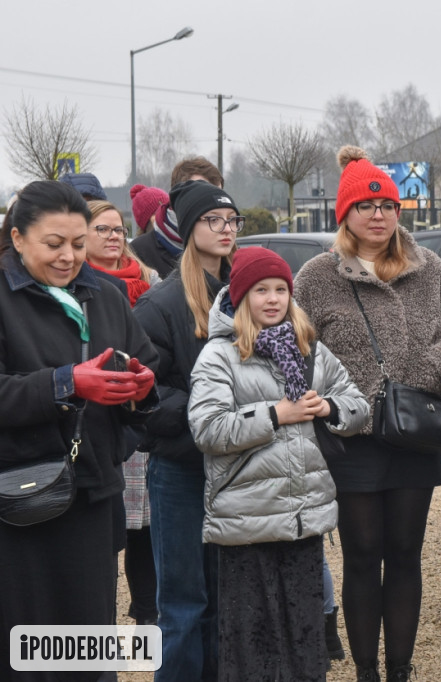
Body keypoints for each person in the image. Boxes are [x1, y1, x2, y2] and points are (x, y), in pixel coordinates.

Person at [293, 145, 441, 682]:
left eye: (388, 206)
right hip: (352, 435)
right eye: (366, 207)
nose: (378, 215)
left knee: (405, 553)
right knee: (362, 552)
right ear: (344, 215)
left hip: (415, 430)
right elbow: (297, 350)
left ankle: (400, 668)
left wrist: (424, 367)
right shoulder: (317, 275)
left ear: (399, 212)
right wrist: (338, 396)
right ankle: (366, 672)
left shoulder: (427, 266)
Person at [0, 180, 158, 682]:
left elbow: (143, 371)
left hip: (91, 495)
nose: (69, 257)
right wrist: (66, 383)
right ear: (18, 238)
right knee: (26, 651)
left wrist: (141, 390)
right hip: (16, 501)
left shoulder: (106, 295)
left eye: (77, 242)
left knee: (86, 651)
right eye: (53, 244)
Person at [188, 247, 370, 682]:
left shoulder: (311, 350)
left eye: (281, 290)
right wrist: (274, 415)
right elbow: (208, 430)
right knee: (252, 644)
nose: (273, 299)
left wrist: (327, 407)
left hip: (301, 518)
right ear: (241, 297)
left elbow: (358, 406)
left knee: (305, 639)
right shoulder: (219, 356)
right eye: (260, 290)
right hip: (246, 523)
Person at [134, 179, 243, 682]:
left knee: (226, 600)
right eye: (212, 221)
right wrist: (213, 412)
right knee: (181, 605)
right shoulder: (159, 305)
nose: (225, 229)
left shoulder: (246, 295)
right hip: (180, 470)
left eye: (231, 221)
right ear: (188, 229)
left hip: (236, 468)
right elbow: (146, 395)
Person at [83, 198, 161, 629]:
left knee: (147, 527)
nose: (114, 237)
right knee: (118, 530)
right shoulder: (79, 288)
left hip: (137, 414)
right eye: (103, 230)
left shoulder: (148, 278)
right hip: (101, 423)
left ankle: (147, 612)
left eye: (119, 230)